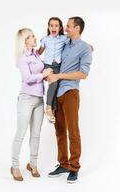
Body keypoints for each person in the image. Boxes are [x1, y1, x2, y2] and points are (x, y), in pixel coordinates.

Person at [47, 17, 93, 183]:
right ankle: (64, 163)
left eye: (68, 26)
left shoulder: (85, 48)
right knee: (59, 131)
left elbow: (83, 74)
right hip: (57, 92)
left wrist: (59, 75)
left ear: (77, 28)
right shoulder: (65, 43)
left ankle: (74, 167)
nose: (65, 28)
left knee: (73, 131)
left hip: (71, 92)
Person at [11, 28, 52, 181]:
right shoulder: (22, 57)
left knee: (36, 134)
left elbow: (43, 55)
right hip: (26, 99)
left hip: (39, 100)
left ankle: (33, 163)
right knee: (21, 134)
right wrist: (44, 74)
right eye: (31, 37)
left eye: (34, 36)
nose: (35, 38)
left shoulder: (36, 54)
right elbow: (27, 78)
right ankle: (15, 166)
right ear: (25, 41)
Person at [38, 17, 69, 123]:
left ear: (60, 27)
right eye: (51, 25)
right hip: (47, 66)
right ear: (48, 27)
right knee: (54, 84)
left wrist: (87, 46)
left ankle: (53, 110)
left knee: (58, 87)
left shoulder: (64, 38)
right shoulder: (45, 39)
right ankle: (48, 108)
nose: (53, 27)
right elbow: (39, 53)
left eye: (56, 25)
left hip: (59, 67)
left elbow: (74, 43)